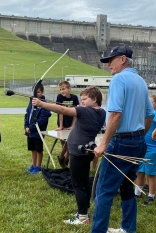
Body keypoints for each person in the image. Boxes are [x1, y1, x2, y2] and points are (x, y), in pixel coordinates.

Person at [77, 44, 154, 233]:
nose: (108, 64)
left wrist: (103, 143)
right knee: (127, 187)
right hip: (138, 142)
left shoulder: (119, 79)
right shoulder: (140, 81)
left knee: (104, 191)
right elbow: (149, 114)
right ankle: (128, 230)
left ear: (122, 59)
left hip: (121, 143)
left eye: (111, 60)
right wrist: (139, 135)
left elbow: (115, 114)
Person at [33, 86, 105, 225]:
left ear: (95, 99)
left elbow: (63, 109)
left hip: (78, 153)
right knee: (83, 182)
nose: (82, 101)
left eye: (85, 99)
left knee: (78, 184)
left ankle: (82, 217)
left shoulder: (84, 111)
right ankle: (84, 210)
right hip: (86, 152)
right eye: (82, 99)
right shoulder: (101, 112)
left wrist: (41, 103)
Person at [135, 95, 156, 205]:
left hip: (152, 148)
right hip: (141, 147)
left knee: (150, 173)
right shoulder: (142, 114)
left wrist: (154, 132)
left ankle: (151, 196)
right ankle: (137, 193)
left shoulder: (154, 113)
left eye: (150, 102)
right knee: (140, 172)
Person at [24, 84, 51, 175]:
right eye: (34, 92)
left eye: (38, 92)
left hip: (38, 131)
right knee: (33, 149)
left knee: (39, 149)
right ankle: (33, 165)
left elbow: (42, 119)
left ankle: (38, 167)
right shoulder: (31, 101)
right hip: (30, 131)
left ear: (42, 92)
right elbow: (27, 114)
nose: (36, 94)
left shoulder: (44, 104)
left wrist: (31, 128)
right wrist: (26, 126)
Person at [55, 81, 79, 168]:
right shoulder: (59, 97)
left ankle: (66, 161)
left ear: (69, 89)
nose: (62, 91)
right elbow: (60, 112)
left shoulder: (74, 97)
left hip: (71, 124)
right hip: (63, 124)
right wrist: (61, 126)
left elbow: (75, 113)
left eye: (63, 89)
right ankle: (62, 160)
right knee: (65, 144)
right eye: (60, 89)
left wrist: (72, 125)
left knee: (70, 144)